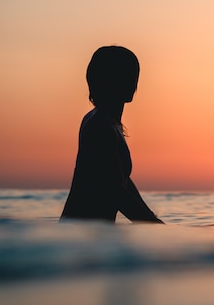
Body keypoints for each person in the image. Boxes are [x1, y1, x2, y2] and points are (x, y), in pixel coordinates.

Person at [61, 46, 164, 223]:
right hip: (82, 237)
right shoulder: (101, 128)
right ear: (103, 80)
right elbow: (117, 193)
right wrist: (158, 228)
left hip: (86, 234)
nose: (133, 82)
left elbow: (122, 182)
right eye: (124, 75)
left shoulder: (105, 123)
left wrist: (156, 225)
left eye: (134, 74)